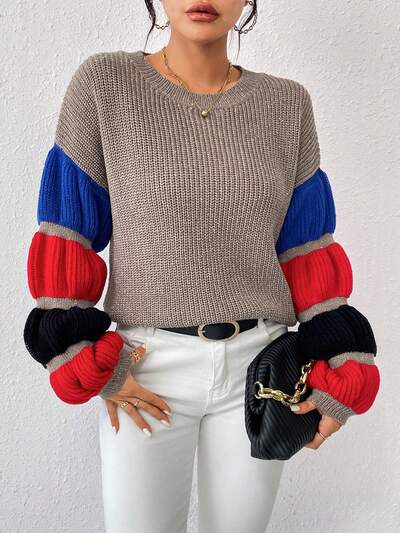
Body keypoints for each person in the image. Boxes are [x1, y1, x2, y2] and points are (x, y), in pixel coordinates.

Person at [23, 1, 380, 532]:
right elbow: (66, 233)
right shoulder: (105, 85)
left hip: (260, 371)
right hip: (147, 367)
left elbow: (306, 248)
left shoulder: (287, 105)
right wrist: (79, 355)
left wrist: (344, 366)